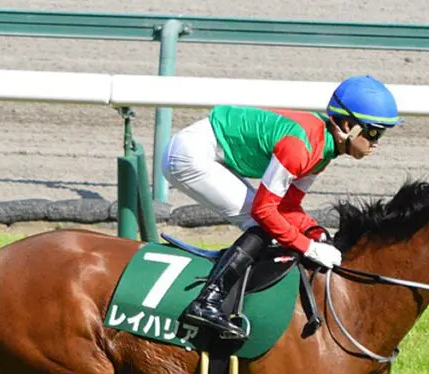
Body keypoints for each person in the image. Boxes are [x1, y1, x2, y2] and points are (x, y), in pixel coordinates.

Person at [162, 75, 400, 340]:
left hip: (211, 150)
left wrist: (315, 232)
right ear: (347, 125)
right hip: (190, 154)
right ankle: (207, 302)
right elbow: (264, 211)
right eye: (373, 132)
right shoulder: (301, 148)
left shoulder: (323, 151)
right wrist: (308, 247)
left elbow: (288, 205)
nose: (377, 142)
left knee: (275, 226)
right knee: (261, 225)